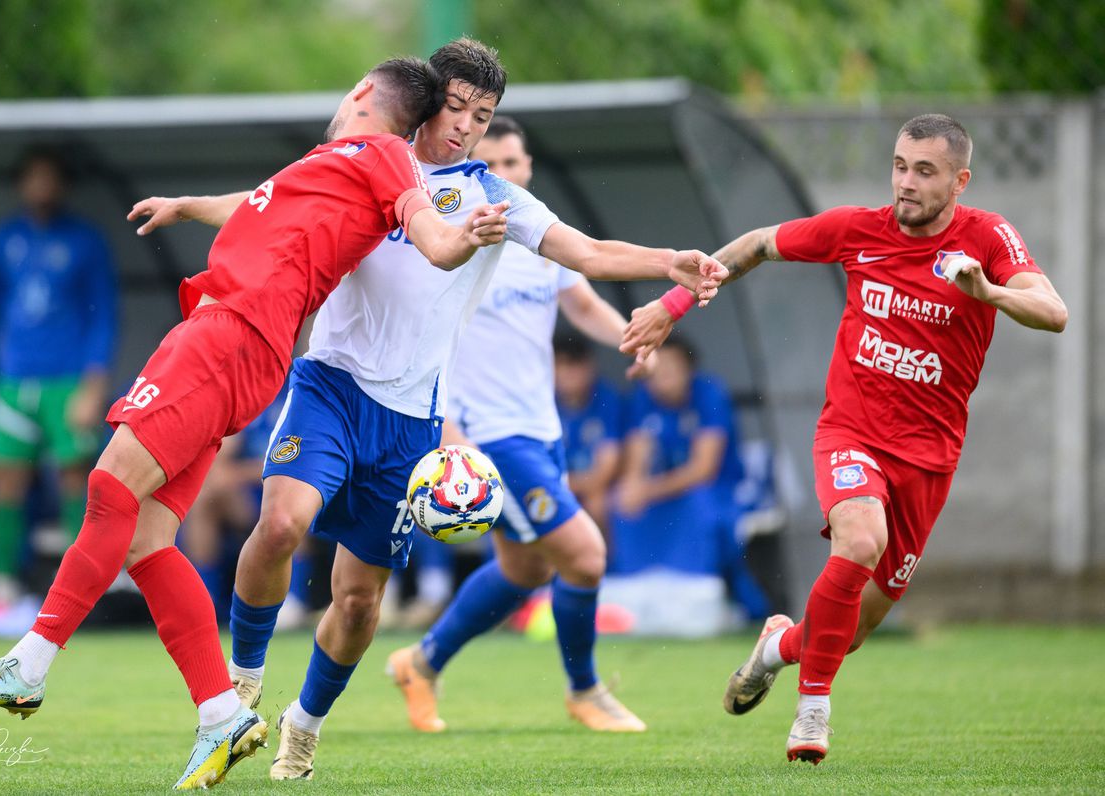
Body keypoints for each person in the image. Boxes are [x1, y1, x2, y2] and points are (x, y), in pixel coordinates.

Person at [135, 38, 724, 781]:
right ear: (425, 102)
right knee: (281, 522)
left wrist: (669, 261)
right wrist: (190, 206)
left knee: (356, 602)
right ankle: (239, 689)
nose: (467, 127)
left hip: (411, 421)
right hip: (329, 385)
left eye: (483, 116)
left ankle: (304, 725)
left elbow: (590, 252)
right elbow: (269, 208)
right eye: (457, 108)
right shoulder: (367, 162)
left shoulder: (494, 198)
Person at [0, 56, 509, 790]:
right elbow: (261, 204)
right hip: (238, 351)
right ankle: (219, 712)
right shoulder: (330, 165)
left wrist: (468, 238)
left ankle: (29, 662)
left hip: (226, 339)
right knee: (145, 538)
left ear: (362, 91)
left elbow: (432, 235)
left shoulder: (383, 153)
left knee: (110, 488)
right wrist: (186, 203)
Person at [620, 114, 1067, 763]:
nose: (906, 182)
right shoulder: (860, 229)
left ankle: (777, 648)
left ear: (960, 180)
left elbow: (1054, 312)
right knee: (861, 538)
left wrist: (988, 290)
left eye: (925, 171)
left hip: (930, 456)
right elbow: (756, 245)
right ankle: (812, 714)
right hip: (851, 430)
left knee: (850, 630)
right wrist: (673, 305)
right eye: (899, 166)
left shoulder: (988, 237)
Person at [388, 115, 655, 735]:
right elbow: (420, 341)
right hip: (486, 435)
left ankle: (420, 664)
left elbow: (583, 301)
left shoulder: (540, 242)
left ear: (527, 169)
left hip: (540, 427)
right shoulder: (454, 243)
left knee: (526, 568)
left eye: (515, 165)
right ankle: (585, 689)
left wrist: (631, 338)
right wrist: (449, 427)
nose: (504, 179)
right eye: (494, 167)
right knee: (585, 557)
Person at [0, 146, 118, 632]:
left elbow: (103, 316)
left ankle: (78, 595)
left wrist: (93, 386)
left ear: (63, 184)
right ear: (22, 183)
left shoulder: (85, 241)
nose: (42, 186)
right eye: (34, 178)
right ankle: (2, 592)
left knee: (75, 479)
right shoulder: (5, 238)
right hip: (11, 379)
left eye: (51, 178)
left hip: (66, 381)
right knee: (5, 480)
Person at [610, 335, 768, 630]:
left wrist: (646, 490)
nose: (663, 375)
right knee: (621, 502)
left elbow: (703, 470)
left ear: (689, 368)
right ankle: (637, 602)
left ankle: (717, 602)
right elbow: (637, 457)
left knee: (700, 507)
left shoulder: (710, 394)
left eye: (672, 366)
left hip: (720, 491)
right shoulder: (644, 397)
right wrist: (633, 487)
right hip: (665, 494)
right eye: (657, 367)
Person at [554, 334, 625, 533]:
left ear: (589, 366)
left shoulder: (607, 398)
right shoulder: (543, 402)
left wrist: (558, 486)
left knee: (598, 502)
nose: (566, 373)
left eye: (574, 364)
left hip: (590, 488)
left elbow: (604, 472)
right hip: (558, 488)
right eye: (559, 364)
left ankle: (605, 564)